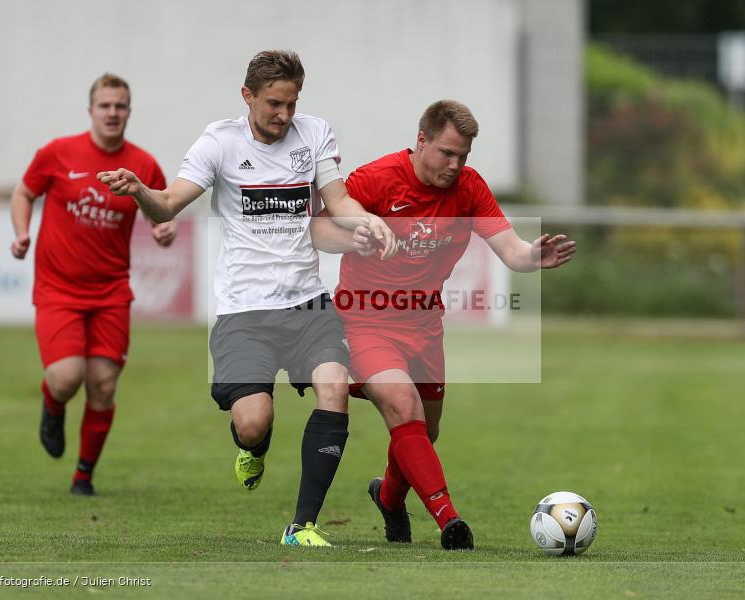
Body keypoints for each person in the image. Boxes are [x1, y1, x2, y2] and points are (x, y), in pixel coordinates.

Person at [98, 50, 396, 546]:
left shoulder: (315, 133)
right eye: (274, 104)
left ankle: (302, 526)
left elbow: (338, 200)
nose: (284, 114)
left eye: (292, 103)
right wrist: (138, 191)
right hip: (245, 311)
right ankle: (251, 446)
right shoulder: (220, 142)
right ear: (248, 96)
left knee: (335, 388)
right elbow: (168, 202)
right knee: (255, 422)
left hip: (308, 303)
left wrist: (366, 220)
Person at [311, 99, 577, 549]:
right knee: (403, 406)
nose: (455, 166)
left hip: (424, 325)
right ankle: (450, 521)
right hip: (364, 319)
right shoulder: (376, 179)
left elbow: (512, 250)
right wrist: (354, 237)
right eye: (446, 154)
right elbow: (319, 230)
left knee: (423, 434)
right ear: (421, 141)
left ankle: (389, 498)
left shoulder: (470, 188)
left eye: (463, 157)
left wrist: (534, 257)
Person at [10, 73, 177, 496]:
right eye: (105, 105)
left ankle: (83, 476)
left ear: (128, 112)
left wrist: (165, 230)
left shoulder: (142, 163)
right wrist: (21, 232)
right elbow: (23, 193)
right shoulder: (57, 153)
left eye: (120, 105)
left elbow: (163, 210)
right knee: (67, 378)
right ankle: (53, 405)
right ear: (91, 110)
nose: (112, 112)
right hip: (58, 288)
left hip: (110, 292)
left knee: (102, 383)